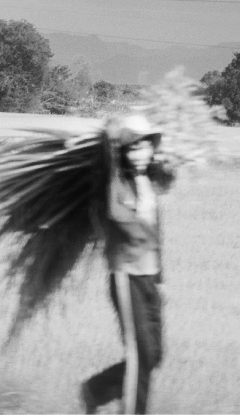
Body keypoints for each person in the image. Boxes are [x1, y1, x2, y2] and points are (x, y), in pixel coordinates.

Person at [81, 115, 170, 414]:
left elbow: (157, 234)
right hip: (126, 277)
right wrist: (111, 138)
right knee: (140, 355)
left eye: (144, 146)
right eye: (132, 148)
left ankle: (95, 390)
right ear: (123, 152)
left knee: (155, 355)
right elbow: (117, 214)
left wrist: (160, 278)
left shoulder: (149, 183)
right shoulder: (117, 182)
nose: (139, 153)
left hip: (148, 279)